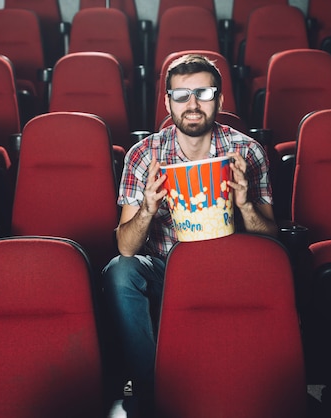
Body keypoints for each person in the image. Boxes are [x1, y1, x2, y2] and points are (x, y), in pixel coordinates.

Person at [101, 53, 279, 415]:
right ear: (167, 102)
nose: (193, 104)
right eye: (181, 95)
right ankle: (154, 388)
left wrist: (245, 205)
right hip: (167, 268)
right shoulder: (143, 155)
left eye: (204, 93)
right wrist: (149, 208)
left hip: (232, 270)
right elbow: (126, 247)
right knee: (119, 271)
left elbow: (273, 241)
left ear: (220, 100)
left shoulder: (247, 151)